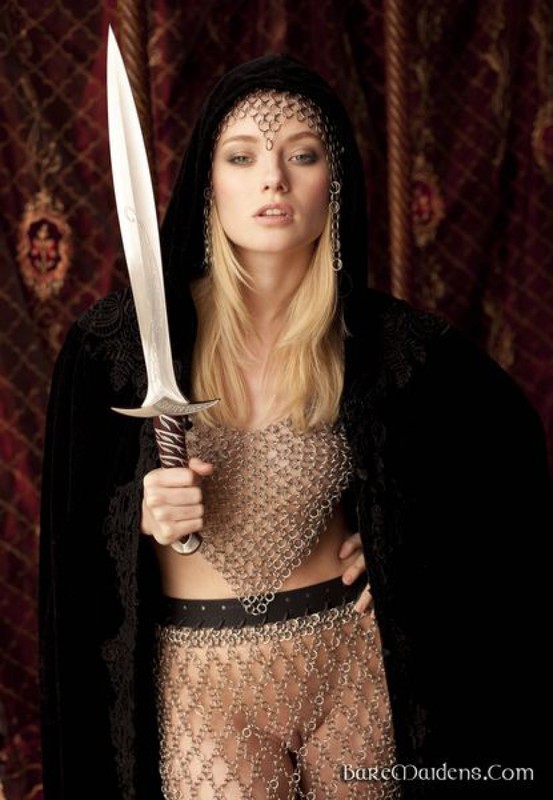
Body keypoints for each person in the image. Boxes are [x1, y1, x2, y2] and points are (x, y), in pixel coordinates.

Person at [39, 54, 549, 800]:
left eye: (301, 156)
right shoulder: (117, 348)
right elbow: (73, 549)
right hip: (204, 680)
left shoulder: (389, 346)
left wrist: (409, 544)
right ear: (209, 183)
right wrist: (139, 513)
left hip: (354, 666)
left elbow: (510, 466)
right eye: (242, 157)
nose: (272, 179)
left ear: (333, 182)